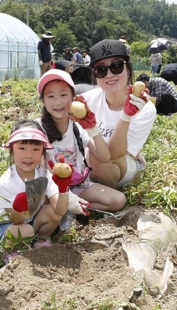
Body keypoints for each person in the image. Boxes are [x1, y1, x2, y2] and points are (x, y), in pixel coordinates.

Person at [36, 69, 126, 229]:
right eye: (51, 96)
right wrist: (64, 196)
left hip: (79, 186)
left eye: (63, 95)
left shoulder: (77, 127)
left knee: (118, 200)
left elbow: (105, 157)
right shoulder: (37, 129)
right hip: (51, 190)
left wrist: (92, 128)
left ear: (73, 98)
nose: (58, 102)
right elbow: (40, 170)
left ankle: (73, 211)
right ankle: (64, 209)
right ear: (43, 100)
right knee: (49, 204)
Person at [82, 39, 157, 189]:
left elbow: (114, 154)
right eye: (101, 70)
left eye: (116, 67)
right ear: (95, 75)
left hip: (124, 162)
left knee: (99, 158)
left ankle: (103, 195)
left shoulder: (144, 108)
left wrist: (126, 116)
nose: (109, 75)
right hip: (88, 162)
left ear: (128, 70)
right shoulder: (87, 100)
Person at [0, 120, 71, 248]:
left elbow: (60, 210)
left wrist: (63, 189)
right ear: (11, 150)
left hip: (31, 221)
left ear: (42, 152)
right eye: (22, 148)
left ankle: (40, 241)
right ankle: (8, 251)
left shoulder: (44, 175)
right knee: (26, 230)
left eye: (36, 149)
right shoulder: (6, 182)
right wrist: (19, 207)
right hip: (9, 227)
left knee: (53, 213)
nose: (29, 155)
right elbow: (16, 220)